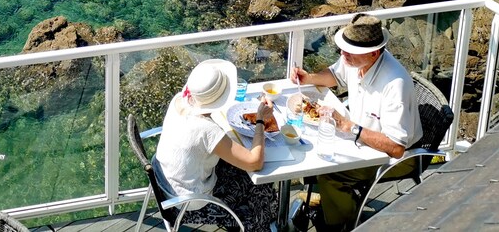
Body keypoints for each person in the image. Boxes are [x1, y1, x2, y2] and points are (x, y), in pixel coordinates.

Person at [289, 13, 423, 232]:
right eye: (343, 48)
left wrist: (348, 126)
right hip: (362, 141)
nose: (342, 54)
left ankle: (341, 226)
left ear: (373, 53)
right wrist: (309, 78)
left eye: (349, 51)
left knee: (330, 173)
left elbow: (396, 148)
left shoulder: (394, 84)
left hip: (396, 158)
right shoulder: (356, 60)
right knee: (314, 151)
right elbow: (335, 75)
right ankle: (333, 205)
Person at [155, 59, 279, 232]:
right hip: (189, 203)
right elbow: (255, 162)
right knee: (260, 188)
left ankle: (267, 216)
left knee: (244, 172)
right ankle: (259, 224)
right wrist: (260, 120)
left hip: (166, 185)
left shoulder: (179, 100)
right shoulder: (206, 130)